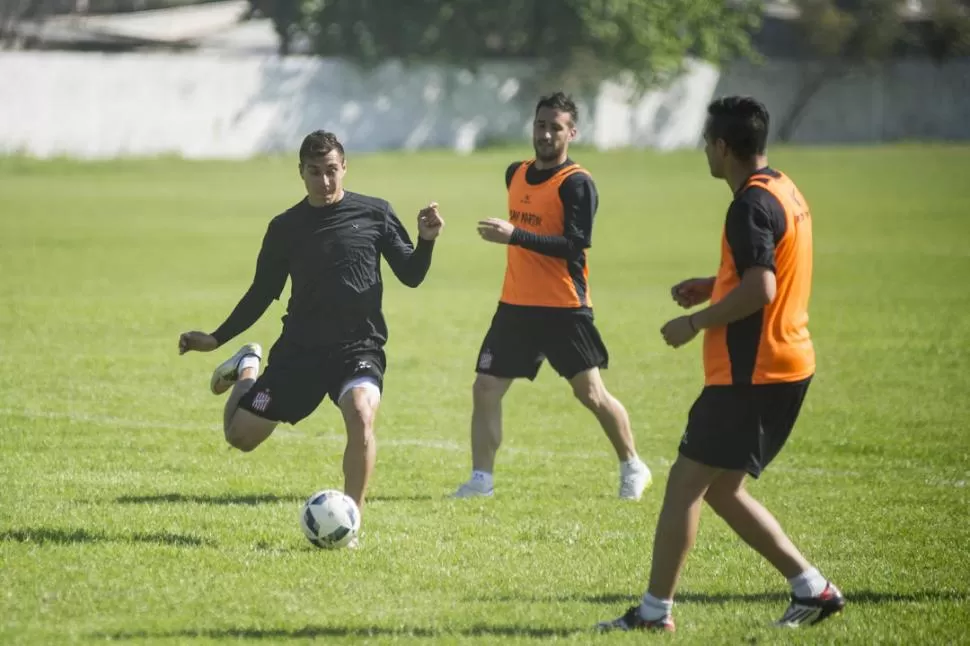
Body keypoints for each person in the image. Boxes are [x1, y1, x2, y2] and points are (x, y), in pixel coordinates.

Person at [597, 96, 845, 632]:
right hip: (787, 363)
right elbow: (767, 270)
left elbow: (761, 287)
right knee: (723, 490)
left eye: (707, 142)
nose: (704, 151)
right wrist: (714, 286)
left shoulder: (748, 205)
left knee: (685, 486)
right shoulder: (784, 188)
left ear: (724, 147)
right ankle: (813, 588)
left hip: (751, 372)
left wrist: (695, 322)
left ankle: (653, 613)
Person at [177, 130, 444, 523]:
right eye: (315, 172)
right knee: (240, 437)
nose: (325, 181)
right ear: (300, 172)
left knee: (361, 415)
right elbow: (262, 292)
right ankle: (248, 366)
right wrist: (216, 338)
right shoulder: (285, 228)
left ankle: (351, 522)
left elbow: (412, 275)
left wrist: (425, 240)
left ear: (345, 167)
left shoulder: (375, 213)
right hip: (301, 351)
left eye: (332, 171)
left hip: (358, 348)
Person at [452, 92, 651, 500]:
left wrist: (515, 236)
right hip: (515, 306)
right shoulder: (516, 173)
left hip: (564, 307)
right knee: (485, 388)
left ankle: (633, 464)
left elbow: (575, 245)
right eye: (540, 125)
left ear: (571, 132)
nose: (545, 133)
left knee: (590, 393)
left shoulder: (577, 184)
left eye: (555, 127)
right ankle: (481, 480)